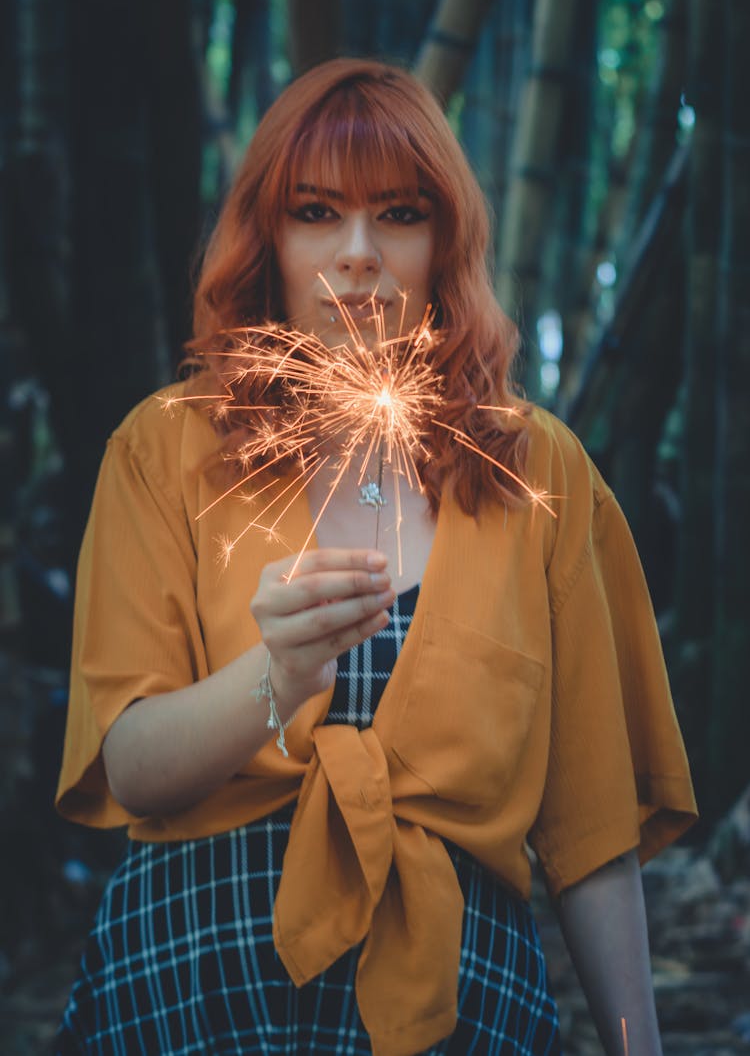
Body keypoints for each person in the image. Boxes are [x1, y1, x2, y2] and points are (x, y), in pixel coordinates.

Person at [55, 58, 697, 1056]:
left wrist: (638, 1047)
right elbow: (129, 766)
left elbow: (593, 843)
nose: (358, 255)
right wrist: (274, 679)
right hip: (191, 995)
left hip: (457, 1008)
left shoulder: (540, 473)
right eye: (316, 212)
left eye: (399, 215)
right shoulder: (163, 449)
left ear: (446, 244)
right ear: (266, 237)